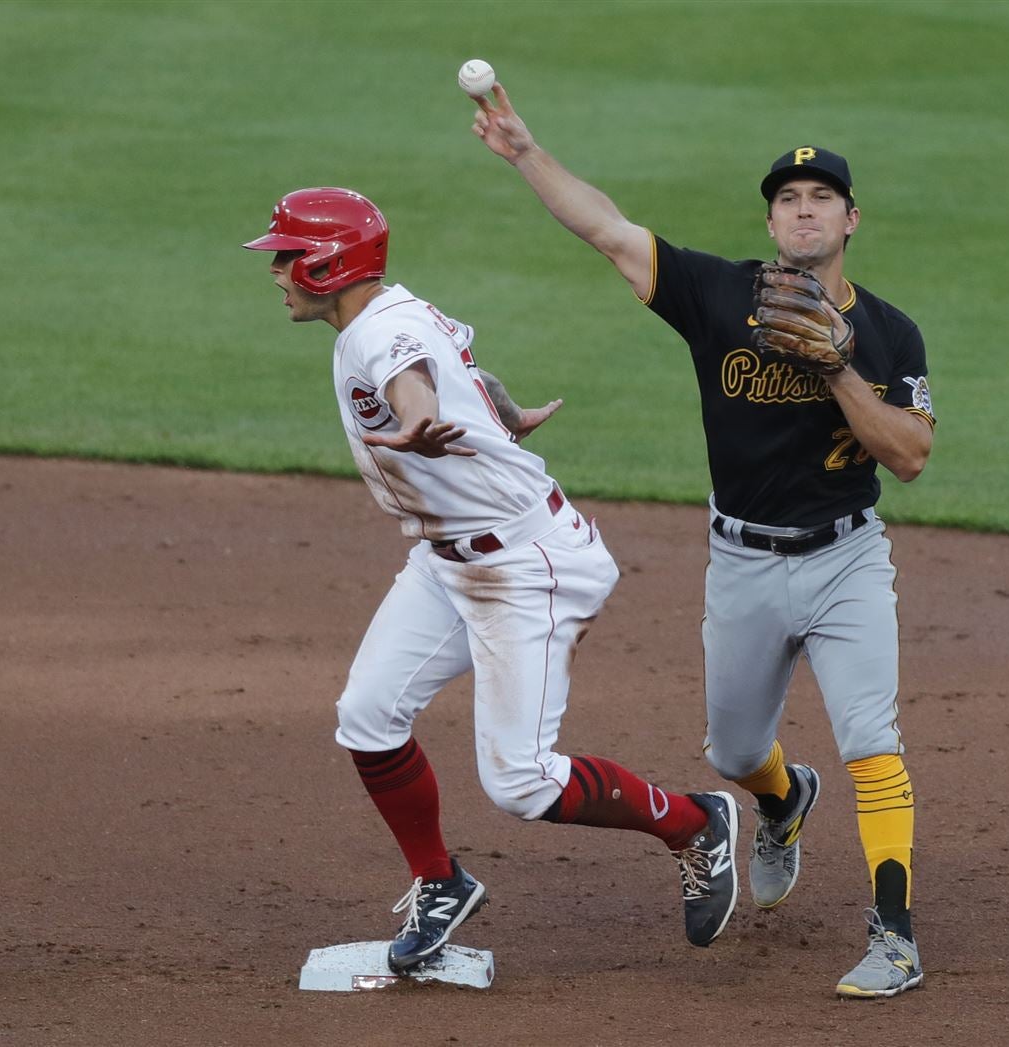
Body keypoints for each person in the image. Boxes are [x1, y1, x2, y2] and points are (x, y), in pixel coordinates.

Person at [471, 87, 935, 998]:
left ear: (851, 218)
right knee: (731, 751)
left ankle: (896, 936)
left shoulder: (888, 332)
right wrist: (526, 151)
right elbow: (608, 230)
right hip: (743, 562)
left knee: (872, 742)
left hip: (846, 559)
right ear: (772, 217)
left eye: (821, 198)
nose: (804, 211)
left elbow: (910, 456)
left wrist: (836, 367)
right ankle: (780, 798)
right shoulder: (721, 294)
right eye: (788, 199)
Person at [241, 186, 740, 974]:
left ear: (329, 264)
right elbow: (455, 362)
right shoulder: (388, 314)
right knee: (368, 715)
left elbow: (413, 378)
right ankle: (440, 880)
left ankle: (694, 823)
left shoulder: (381, 336)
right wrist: (501, 410)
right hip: (449, 560)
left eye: (286, 258)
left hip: (522, 565)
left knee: (521, 783)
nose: (275, 273)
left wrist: (419, 418)